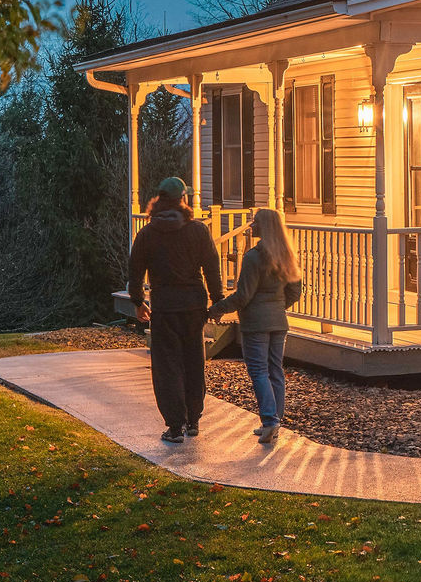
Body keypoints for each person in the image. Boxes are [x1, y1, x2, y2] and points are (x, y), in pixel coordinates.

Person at [127, 177, 223, 444]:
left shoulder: (147, 234)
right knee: (194, 361)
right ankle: (193, 420)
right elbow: (211, 268)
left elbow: (135, 272)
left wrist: (138, 301)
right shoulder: (198, 231)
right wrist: (217, 300)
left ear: (158, 201)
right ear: (183, 200)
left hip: (165, 307)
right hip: (194, 306)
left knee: (167, 366)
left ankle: (175, 426)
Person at [209, 207, 303, 444]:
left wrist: (217, 309)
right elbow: (295, 291)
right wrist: (278, 307)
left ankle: (270, 421)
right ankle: (274, 423)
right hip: (279, 322)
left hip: (255, 324)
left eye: (256, 222)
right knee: (275, 371)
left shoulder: (253, 258)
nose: (252, 225)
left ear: (265, 227)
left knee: (259, 371)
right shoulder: (288, 256)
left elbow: (243, 296)